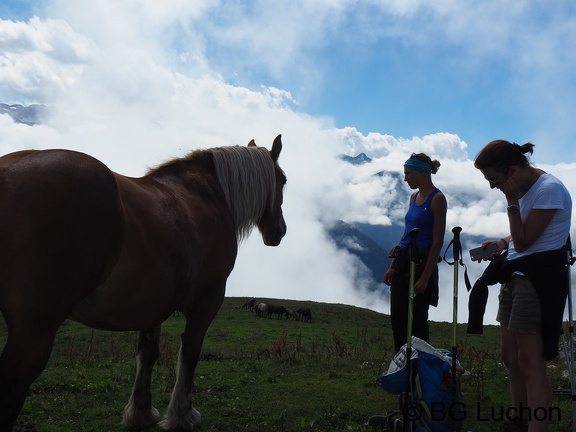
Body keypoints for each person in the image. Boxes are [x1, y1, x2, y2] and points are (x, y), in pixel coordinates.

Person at [474, 140, 572, 432]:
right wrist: (503, 242)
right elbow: (524, 235)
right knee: (510, 357)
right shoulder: (529, 188)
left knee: (530, 362)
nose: (494, 187)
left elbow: (528, 240)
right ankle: (517, 420)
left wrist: (512, 200)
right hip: (515, 275)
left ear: (512, 170)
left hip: (537, 281)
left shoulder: (549, 189)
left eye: (494, 180)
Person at [384, 153, 447, 352]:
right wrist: (393, 265)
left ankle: (420, 369)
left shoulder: (437, 199)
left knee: (418, 321)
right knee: (398, 319)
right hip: (404, 261)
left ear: (422, 172)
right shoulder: (413, 197)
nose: (405, 178)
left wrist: (425, 279)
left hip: (421, 264)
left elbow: (437, 242)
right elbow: (406, 234)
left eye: (408, 173)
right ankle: (402, 365)